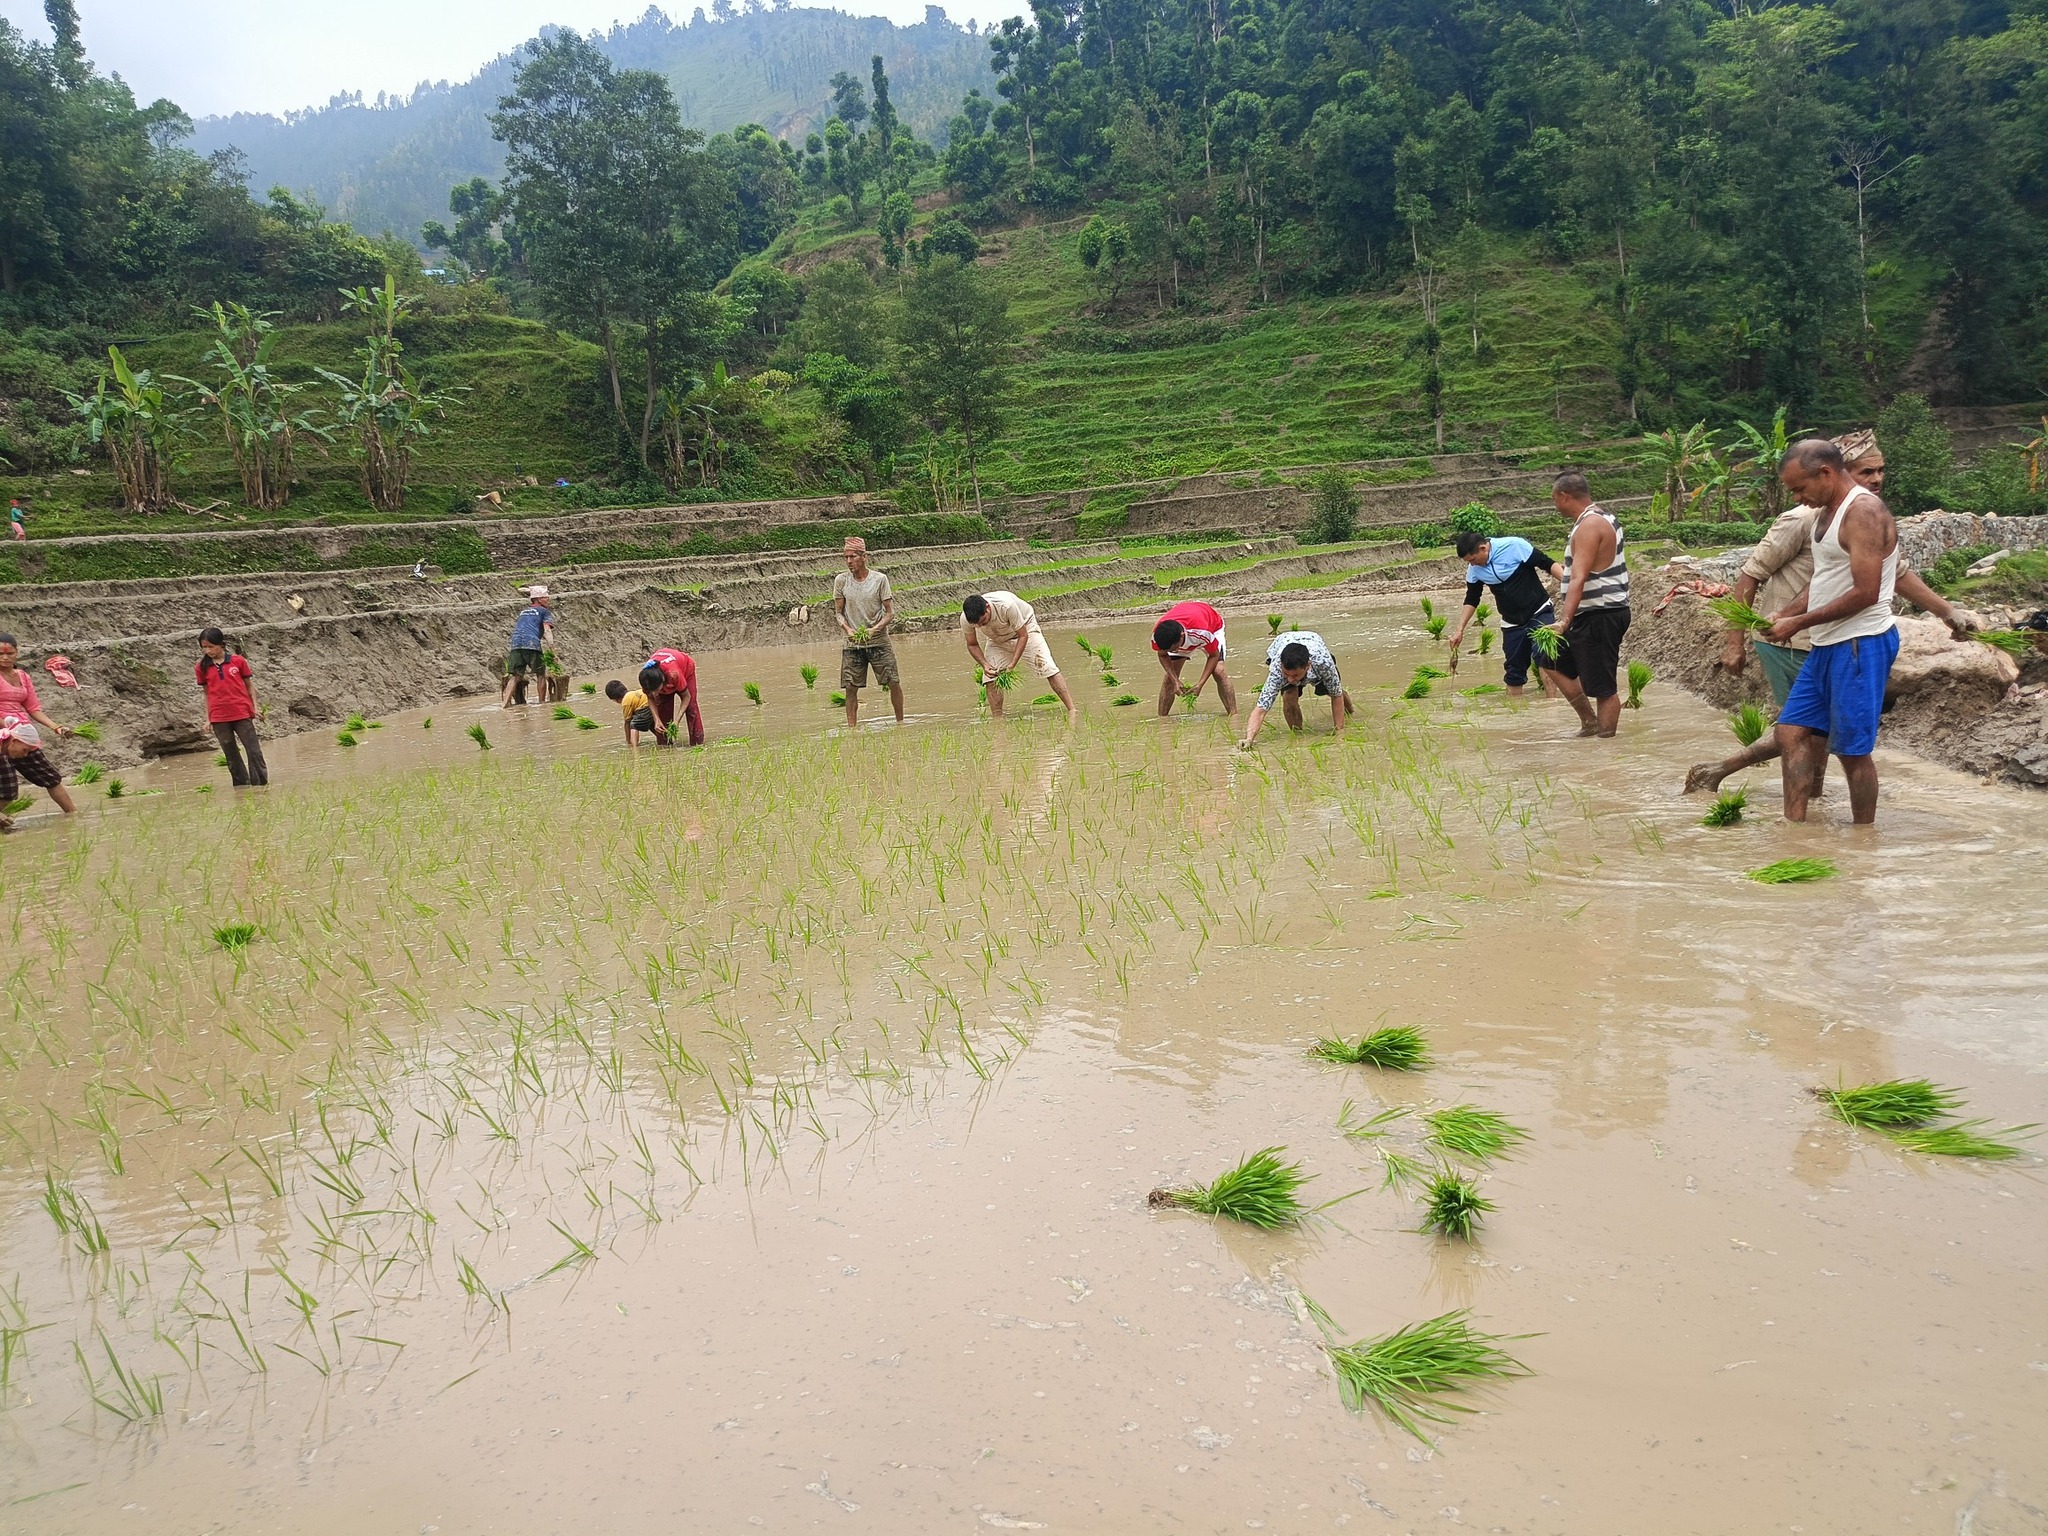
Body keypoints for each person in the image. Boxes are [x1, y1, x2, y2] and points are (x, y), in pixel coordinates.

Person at [1685, 431, 1979, 794]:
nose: (1875, 480)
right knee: (1804, 732)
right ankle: (1759, 789)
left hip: (1834, 635)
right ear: (1835, 474)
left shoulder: (1866, 516)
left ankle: (1770, 792)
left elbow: (1897, 575)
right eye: (1864, 473)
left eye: (1879, 471)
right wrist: (1735, 640)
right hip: (1792, 640)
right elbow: (1750, 574)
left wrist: (1947, 611)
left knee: (1810, 732)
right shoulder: (1804, 517)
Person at [1766, 439, 1906, 824]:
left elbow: (1866, 592)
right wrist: (1786, 611)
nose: (1797, 496)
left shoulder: (1862, 512)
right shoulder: (1826, 512)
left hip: (1860, 643)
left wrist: (1798, 623)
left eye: (1799, 488)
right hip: (1828, 642)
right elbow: (1827, 579)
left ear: (1826, 473)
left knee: (1852, 751)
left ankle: (1864, 837)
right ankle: (1793, 826)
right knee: (1791, 732)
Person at [1546, 472, 1632, 738]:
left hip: (1600, 614)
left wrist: (1564, 620)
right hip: (1593, 613)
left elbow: (1579, 576)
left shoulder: (1589, 525)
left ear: (1564, 496)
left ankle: (1606, 745)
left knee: (1603, 687)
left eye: (1554, 499)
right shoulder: (1602, 518)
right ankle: (1590, 722)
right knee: (1548, 659)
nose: (1555, 505)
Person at [1445, 532, 1565, 695]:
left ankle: (1553, 706)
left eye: (1473, 560)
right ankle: (1514, 711)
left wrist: (1571, 586)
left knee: (1544, 657)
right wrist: (1459, 630)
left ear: (1482, 548)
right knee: (1513, 670)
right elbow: (1472, 598)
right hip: (1511, 620)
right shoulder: (1474, 570)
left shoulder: (1514, 546)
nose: (1472, 565)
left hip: (1538, 610)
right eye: (1469, 563)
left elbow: (1547, 564)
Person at [961, 591, 1077, 720]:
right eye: (977, 625)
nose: (980, 626)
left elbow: (1023, 635)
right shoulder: (966, 619)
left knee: (1047, 667)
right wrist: (985, 664)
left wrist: (1012, 664)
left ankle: (1072, 709)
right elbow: (972, 644)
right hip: (997, 639)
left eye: (983, 621)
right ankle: (997, 721)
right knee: (990, 678)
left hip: (1026, 629)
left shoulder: (1006, 606)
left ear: (987, 607)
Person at [833, 537, 905, 727]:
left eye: (853, 556)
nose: (849, 561)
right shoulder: (841, 581)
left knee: (893, 681)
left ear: (864, 557)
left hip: (879, 641)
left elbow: (890, 613)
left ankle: (900, 723)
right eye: (846, 557)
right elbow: (838, 614)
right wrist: (848, 629)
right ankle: (852, 728)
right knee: (850, 686)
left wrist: (875, 629)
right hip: (853, 644)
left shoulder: (880, 580)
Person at [1239, 630, 1348, 747]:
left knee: (1335, 690)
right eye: (1286, 674)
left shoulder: (1323, 663)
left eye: (1295, 675)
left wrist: (1339, 734)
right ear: (1281, 666)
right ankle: (1298, 736)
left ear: (1307, 666)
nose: (1290, 679)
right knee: (1289, 694)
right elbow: (1260, 709)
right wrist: (1249, 739)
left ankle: (1350, 711)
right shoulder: (1277, 670)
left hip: (1313, 641)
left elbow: (1336, 696)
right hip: (1282, 642)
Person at [195, 627, 268, 787]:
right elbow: (206, 694)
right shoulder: (201, 667)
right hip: (219, 717)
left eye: (211, 646)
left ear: (221, 644)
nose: (208, 650)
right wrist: (208, 719)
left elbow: (249, 686)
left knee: (253, 751)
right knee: (231, 755)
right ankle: (242, 787)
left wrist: (255, 708)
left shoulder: (238, 661)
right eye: (204, 647)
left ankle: (261, 786)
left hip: (242, 712)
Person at [1151, 601, 1238, 717]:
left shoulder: (1202, 632)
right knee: (1169, 679)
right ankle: (1162, 719)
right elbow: (1162, 655)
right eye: (1169, 651)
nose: (1173, 653)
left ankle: (1234, 716)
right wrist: (1175, 680)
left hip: (1212, 626)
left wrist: (1200, 684)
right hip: (1185, 630)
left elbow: (1213, 655)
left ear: (1181, 637)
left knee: (1219, 671)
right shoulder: (1158, 636)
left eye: (1174, 649)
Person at [639, 647, 705, 746]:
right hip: (663, 677)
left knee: (691, 708)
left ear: (662, 681)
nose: (655, 694)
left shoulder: (674, 674)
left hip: (686, 669)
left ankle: (697, 742)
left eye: (657, 691)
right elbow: (650, 698)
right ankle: (664, 745)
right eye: (651, 692)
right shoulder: (646, 678)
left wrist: (677, 721)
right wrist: (656, 720)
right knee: (663, 710)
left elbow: (686, 697)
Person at [502, 585, 554, 708]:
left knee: (515, 676)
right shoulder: (544, 612)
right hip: (532, 644)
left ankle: (504, 704)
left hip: (516, 644)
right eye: (546, 598)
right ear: (538, 599)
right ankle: (542, 704)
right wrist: (553, 651)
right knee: (540, 674)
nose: (548, 600)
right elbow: (547, 631)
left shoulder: (523, 612)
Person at [605, 679, 661, 747]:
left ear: (615, 699)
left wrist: (628, 741)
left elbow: (627, 722)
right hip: (655, 705)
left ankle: (634, 747)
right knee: (651, 724)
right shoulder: (633, 693)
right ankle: (663, 740)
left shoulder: (625, 702)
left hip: (645, 707)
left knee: (634, 725)